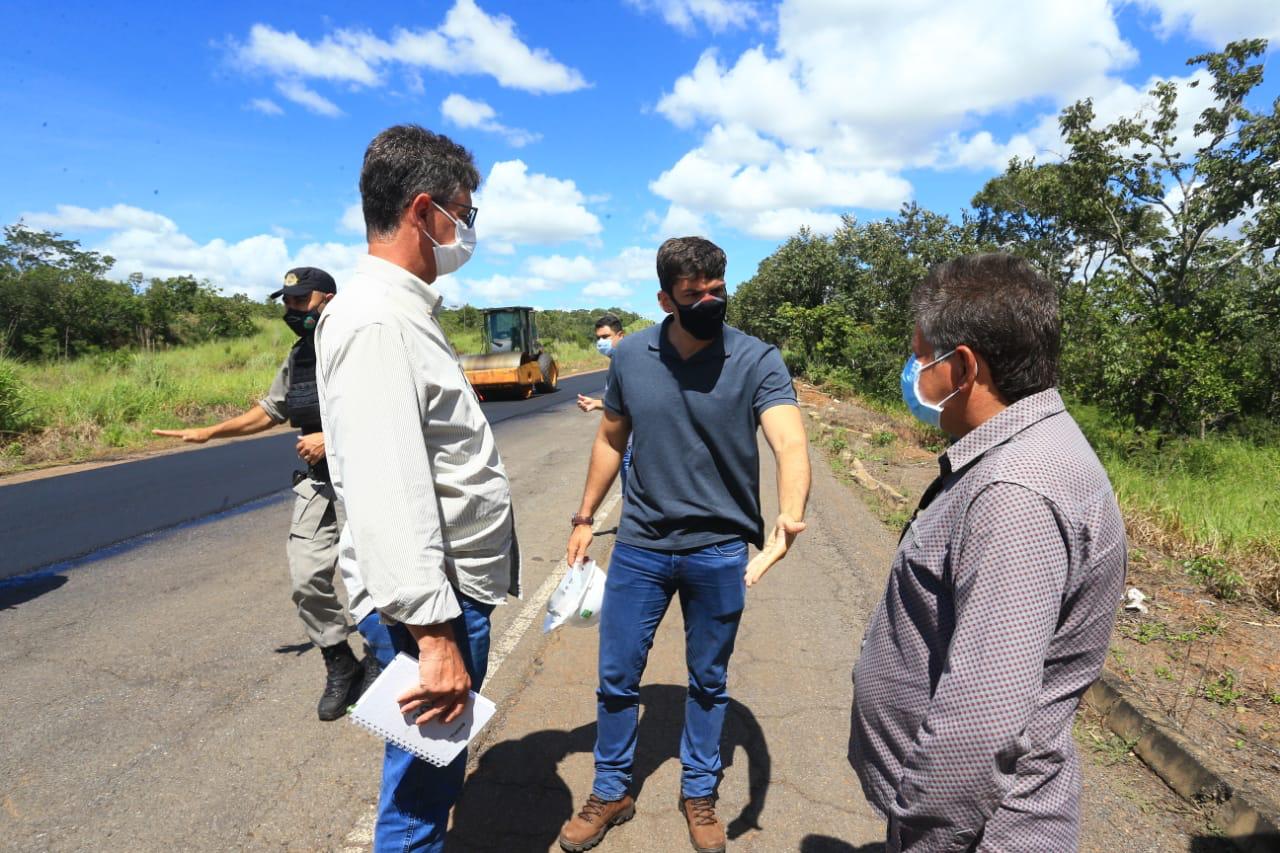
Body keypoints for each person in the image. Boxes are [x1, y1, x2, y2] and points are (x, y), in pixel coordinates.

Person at [848, 254, 1128, 852]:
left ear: (963, 367)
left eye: (920, 357)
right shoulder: (1029, 450)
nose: (911, 372)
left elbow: (982, 717)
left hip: (974, 832)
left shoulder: (1014, 492)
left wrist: (923, 831)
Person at [558, 237, 812, 853]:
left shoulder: (755, 358)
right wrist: (585, 515)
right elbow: (611, 439)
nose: (708, 302)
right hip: (641, 546)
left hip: (719, 550)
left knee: (708, 681)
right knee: (617, 678)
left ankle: (699, 791)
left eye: (717, 290)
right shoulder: (631, 356)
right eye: (693, 293)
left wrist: (790, 514)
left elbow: (789, 440)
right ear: (664, 299)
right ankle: (611, 790)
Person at [314, 124, 519, 853]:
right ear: (424, 210)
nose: (467, 231)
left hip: (440, 596)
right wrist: (435, 638)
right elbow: (389, 493)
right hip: (431, 606)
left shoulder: (403, 311)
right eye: (464, 213)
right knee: (419, 799)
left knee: (430, 779)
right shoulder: (377, 321)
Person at [152, 266, 375, 722]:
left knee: (376, 575)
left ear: (328, 299)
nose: (291, 309)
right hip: (320, 479)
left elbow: (391, 409)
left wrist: (331, 438)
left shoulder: (363, 342)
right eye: (287, 301)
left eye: (300, 300)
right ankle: (340, 662)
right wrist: (209, 432)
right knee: (306, 578)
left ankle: (383, 659)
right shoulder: (301, 354)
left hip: (369, 476)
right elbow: (271, 410)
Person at [577, 313, 632, 489]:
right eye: (598, 338)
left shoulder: (628, 363)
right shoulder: (616, 363)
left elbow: (631, 402)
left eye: (606, 337)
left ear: (620, 335)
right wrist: (596, 403)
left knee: (632, 496)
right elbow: (621, 402)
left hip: (632, 446)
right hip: (625, 445)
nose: (601, 342)